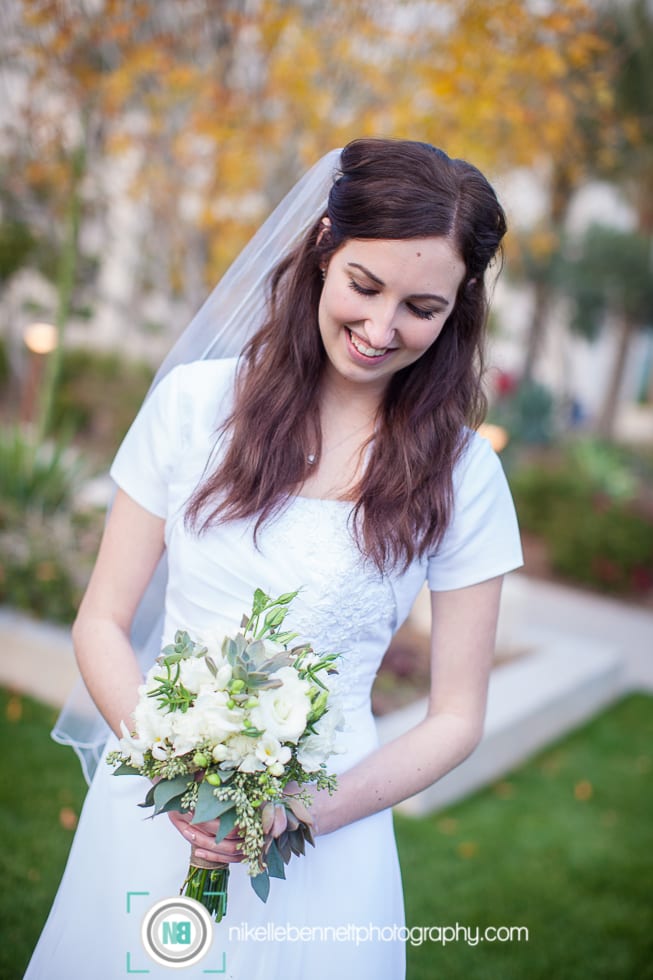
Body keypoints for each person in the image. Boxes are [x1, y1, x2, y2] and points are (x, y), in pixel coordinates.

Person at [25, 138, 522, 979]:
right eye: (364, 287)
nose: (380, 328)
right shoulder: (192, 407)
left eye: (420, 307)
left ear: (458, 306)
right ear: (324, 247)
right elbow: (102, 622)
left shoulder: (465, 474)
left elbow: (454, 718)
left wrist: (290, 817)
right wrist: (180, 775)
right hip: (154, 809)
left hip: (323, 837)